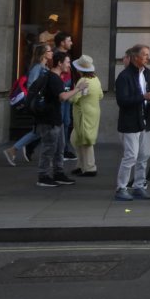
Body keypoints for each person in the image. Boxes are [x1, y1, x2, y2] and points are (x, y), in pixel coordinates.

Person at [114, 45, 150, 201]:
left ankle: (139, 186)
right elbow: (122, 101)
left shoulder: (146, 72)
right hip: (130, 122)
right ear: (135, 57)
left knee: (144, 156)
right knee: (130, 156)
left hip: (144, 120)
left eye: (148, 54)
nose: (148, 57)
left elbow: (148, 93)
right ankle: (121, 187)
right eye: (145, 55)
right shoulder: (124, 76)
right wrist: (144, 97)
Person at [33, 50, 84, 188]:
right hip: (49, 120)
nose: (69, 65)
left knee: (59, 147)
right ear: (59, 63)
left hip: (55, 119)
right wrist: (78, 89)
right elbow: (63, 97)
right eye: (67, 62)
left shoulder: (54, 77)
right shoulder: (54, 78)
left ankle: (58, 173)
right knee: (49, 148)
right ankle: (43, 176)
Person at [4, 43, 52, 166]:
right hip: (37, 104)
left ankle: (15, 149)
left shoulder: (43, 67)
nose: (51, 52)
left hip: (39, 104)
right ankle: (14, 149)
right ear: (43, 54)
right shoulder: (37, 68)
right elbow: (32, 86)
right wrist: (40, 99)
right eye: (49, 51)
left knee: (39, 131)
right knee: (40, 130)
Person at [68, 55, 102, 178]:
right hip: (93, 112)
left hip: (83, 114)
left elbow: (74, 98)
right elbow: (101, 96)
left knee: (85, 140)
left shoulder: (82, 81)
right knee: (76, 138)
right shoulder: (96, 79)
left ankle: (90, 168)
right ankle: (81, 165)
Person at [53, 32, 76, 160]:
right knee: (61, 121)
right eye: (69, 40)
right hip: (61, 91)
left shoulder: (67, 55)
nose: (71, 43)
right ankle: (61, 150)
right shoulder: (55, 55)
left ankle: (64, 148)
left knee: (66, 121)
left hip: (67, 91)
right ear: (62, 42)